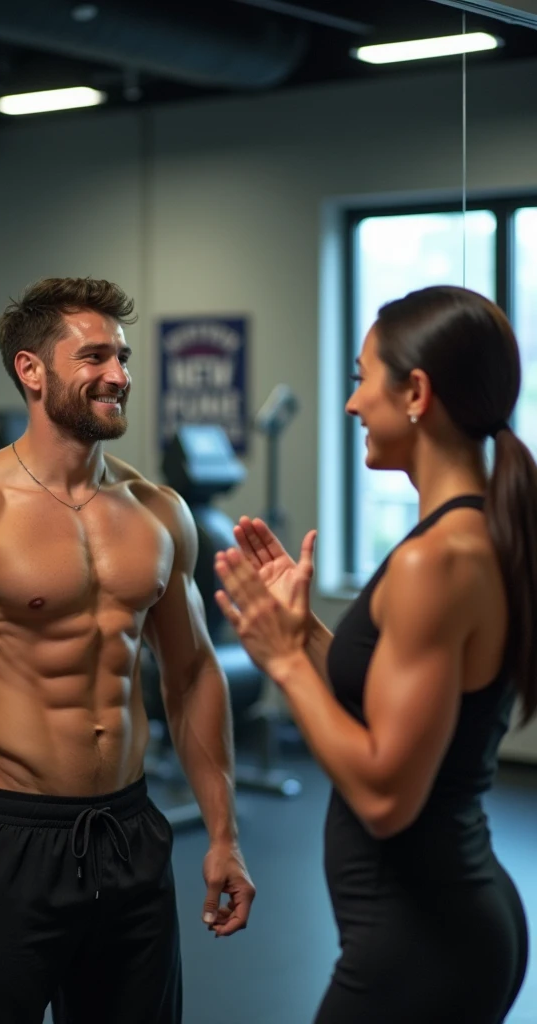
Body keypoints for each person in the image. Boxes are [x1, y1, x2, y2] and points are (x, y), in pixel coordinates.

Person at [0, 276, 255, 1024]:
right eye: (95, 357)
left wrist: (224, 834)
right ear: (32, 370)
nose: (119, 375)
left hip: (130, 833)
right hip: (8, 840)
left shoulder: (157, 513)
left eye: (123, 357)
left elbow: (191, 674)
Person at [215, 285, 535, 1024]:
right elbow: (388, 689)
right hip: (452, 918)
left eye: (363, 378)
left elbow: (387, 798)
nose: (353, 403)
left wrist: (287, 664)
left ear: (416, 391)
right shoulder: (469, 535)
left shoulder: (439, 560)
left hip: (422, 939)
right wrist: (301, 633)